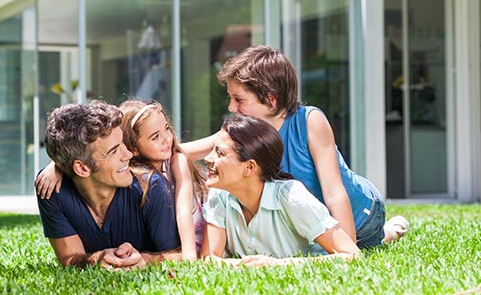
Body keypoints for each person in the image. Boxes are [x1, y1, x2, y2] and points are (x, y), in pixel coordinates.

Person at [183, 45, 409, 248]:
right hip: (315, 221)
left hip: (362, 215)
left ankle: (388, 231)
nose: (232, 107)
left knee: (363, 244)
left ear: (270, 99)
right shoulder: (246, 132)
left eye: (239, 99)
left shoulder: (309, 121)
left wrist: (347, 247)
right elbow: (192, 149)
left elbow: (334, 193)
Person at [36, 100, 208, 260]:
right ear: (81, 168)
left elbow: (180, 256)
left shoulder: (152, 185)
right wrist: (97, 259)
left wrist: (145, 261)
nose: (128, 155)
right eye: (113, 151)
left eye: (123, 143)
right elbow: (69, 258)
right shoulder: (50, 188)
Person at [200, 115, 360, 266]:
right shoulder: (220, 194)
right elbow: (209, 258)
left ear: (249, 167)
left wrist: (278, 264)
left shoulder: (292, 197)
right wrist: (239, 265)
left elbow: (352, 255)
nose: (208, 158)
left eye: (219, 153)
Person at [119, 100, 208, 260]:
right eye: (155, 137)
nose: (166, 139)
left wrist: (189, 256)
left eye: (166, 128)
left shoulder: (177, 161)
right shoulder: (133, 175)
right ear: (134, 149)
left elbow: (183, 210)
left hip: (193, 242)